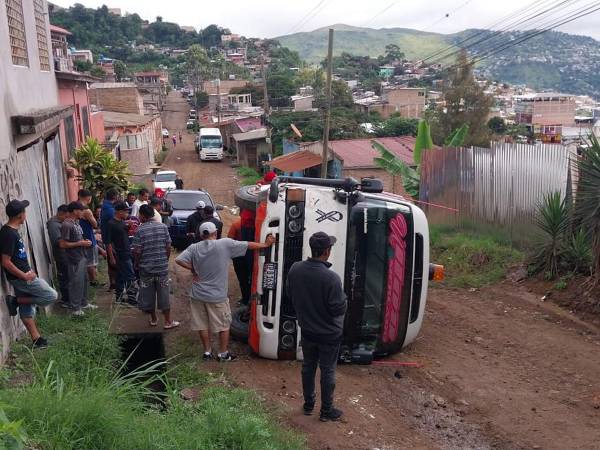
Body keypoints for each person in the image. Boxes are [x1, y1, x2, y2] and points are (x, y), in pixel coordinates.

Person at [175, 222, 275, 361]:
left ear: (201, 234)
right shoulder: (225, 244)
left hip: (197, 294)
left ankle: (207, 352)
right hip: (217, 296)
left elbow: (178, 259)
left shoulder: (194, 247)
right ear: (215, 233)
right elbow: (248, 245)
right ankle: (223, 354)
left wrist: (193, 269)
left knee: (202, 324)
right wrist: (265, 245)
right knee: (224, 325)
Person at [286, 232, 347, 422]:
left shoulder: (295, 269)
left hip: (307, 331)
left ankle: (308, 405)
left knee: (308, 367)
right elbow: (338, 309)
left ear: (312, 249)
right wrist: (345, 300)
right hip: (329, 335)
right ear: (327, 252)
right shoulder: (332, 279)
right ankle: (326, 411)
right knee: (327, 370)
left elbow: (290, 294)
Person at [2, 200, 57, 348]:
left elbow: (17, 257)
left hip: (23, 275)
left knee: (27, 308)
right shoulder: (8, 234)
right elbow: (5, 261)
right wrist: (24, 275)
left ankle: (37, 340)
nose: (26, 214)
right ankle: (15, 301)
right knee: (51, 295)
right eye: (25, 211)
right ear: (20, 215)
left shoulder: (12, 231)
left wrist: (27, 270)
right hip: (22, 278)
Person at [133, 205, 179, 329]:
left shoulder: (139, 230)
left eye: (139, 214)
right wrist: (165, 259)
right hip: (161, 268)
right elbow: (168, 246)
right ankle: (168, 322)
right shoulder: (163, 227)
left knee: (148, 294)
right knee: (164, 294)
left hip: (146, 268)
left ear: (142, 215)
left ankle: (153, 319)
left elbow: (137, 251)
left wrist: (137, 263)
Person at [59, 202, 96, 316]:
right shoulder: (67, 224)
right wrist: (80, 243)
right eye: (81, 210)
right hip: (74, 258)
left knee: (84, 281)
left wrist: (85, 242)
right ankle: (75, 308)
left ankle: (84, 303)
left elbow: (78, 239)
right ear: (75, 211)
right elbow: (63, 244)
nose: (83, 213)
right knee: (76, 283)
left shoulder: (76, 223)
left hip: (82, 255)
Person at [106, 201, 137, 306]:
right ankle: (132, 299)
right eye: (126, 212)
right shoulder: (111, 224)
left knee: (120, 276)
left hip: (126, 251)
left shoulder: (123, 222)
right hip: (120, 253)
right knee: (130, 276)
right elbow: (108, 242)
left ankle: (118, 298)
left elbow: (123, 234)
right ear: (119, 212)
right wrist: (111, 257)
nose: (127, 214)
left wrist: (128, 227)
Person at [77, 189, 102, 288]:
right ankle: (93, 282)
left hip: (80, 237)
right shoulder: (86, 210)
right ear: (89, 198)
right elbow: (95, 224)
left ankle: (88, 280)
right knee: (91, 262)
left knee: (85, 261)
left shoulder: (74, 207)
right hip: (88, 238)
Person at [46, 204, 69, 306]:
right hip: (62, 255)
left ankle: (68, 299)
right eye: (66, 216)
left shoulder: (59, 222)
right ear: (60, 213)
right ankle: (66, 300)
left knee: (67, 276)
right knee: (65, 277)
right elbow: (58, 242)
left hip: (65, 254)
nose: (66, 219)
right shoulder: (54, 225)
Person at [227, 218, 251, 307]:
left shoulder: (236, 224)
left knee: (242, 279)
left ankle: (245, 299)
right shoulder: (257, 223)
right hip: (253, 253)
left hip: (239, 256)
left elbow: (230, 240)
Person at [101, 188, 119, 291]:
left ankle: (113, 283)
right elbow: (116, 223)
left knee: (111, 262)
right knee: (114, 262)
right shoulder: (109, 209)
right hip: (111, 239)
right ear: (115, 196)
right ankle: (115, 284)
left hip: (107, 238)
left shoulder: (106, 206)